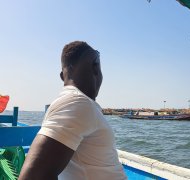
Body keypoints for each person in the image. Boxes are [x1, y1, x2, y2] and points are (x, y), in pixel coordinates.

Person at [19, 41, 127, 180]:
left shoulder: (74, 103)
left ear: (62, 76)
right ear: (95, 67)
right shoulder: (77, 103)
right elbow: (33, 176)